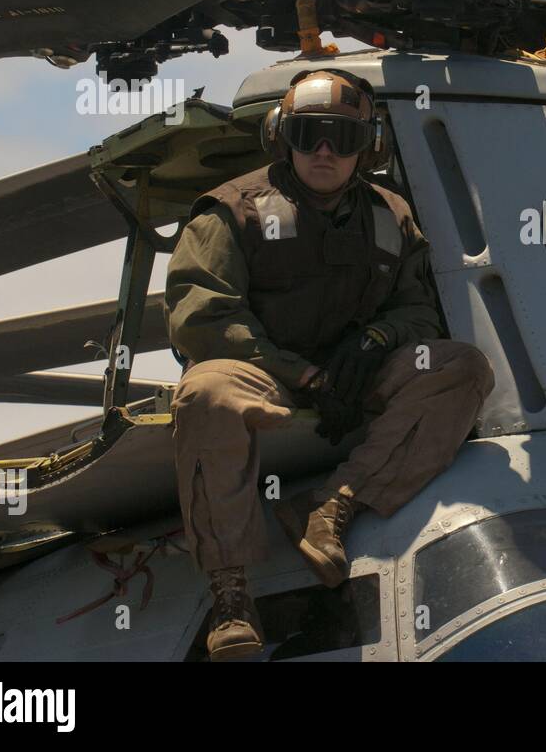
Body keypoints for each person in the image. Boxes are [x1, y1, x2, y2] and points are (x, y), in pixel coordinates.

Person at [165, 69, 494, 660]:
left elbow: (419, 313)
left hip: (354, 374)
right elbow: (202, 318)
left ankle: (333, 502)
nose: (323, 150)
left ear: (367, 148)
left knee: (460, 367)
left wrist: (374, 341)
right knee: (206, 392)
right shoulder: (231, 211)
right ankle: (230, 591)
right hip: (266, 373)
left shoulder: (392, 218)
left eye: (341, 138)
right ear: (280, 136)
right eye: (309, 133)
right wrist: (302, 374)